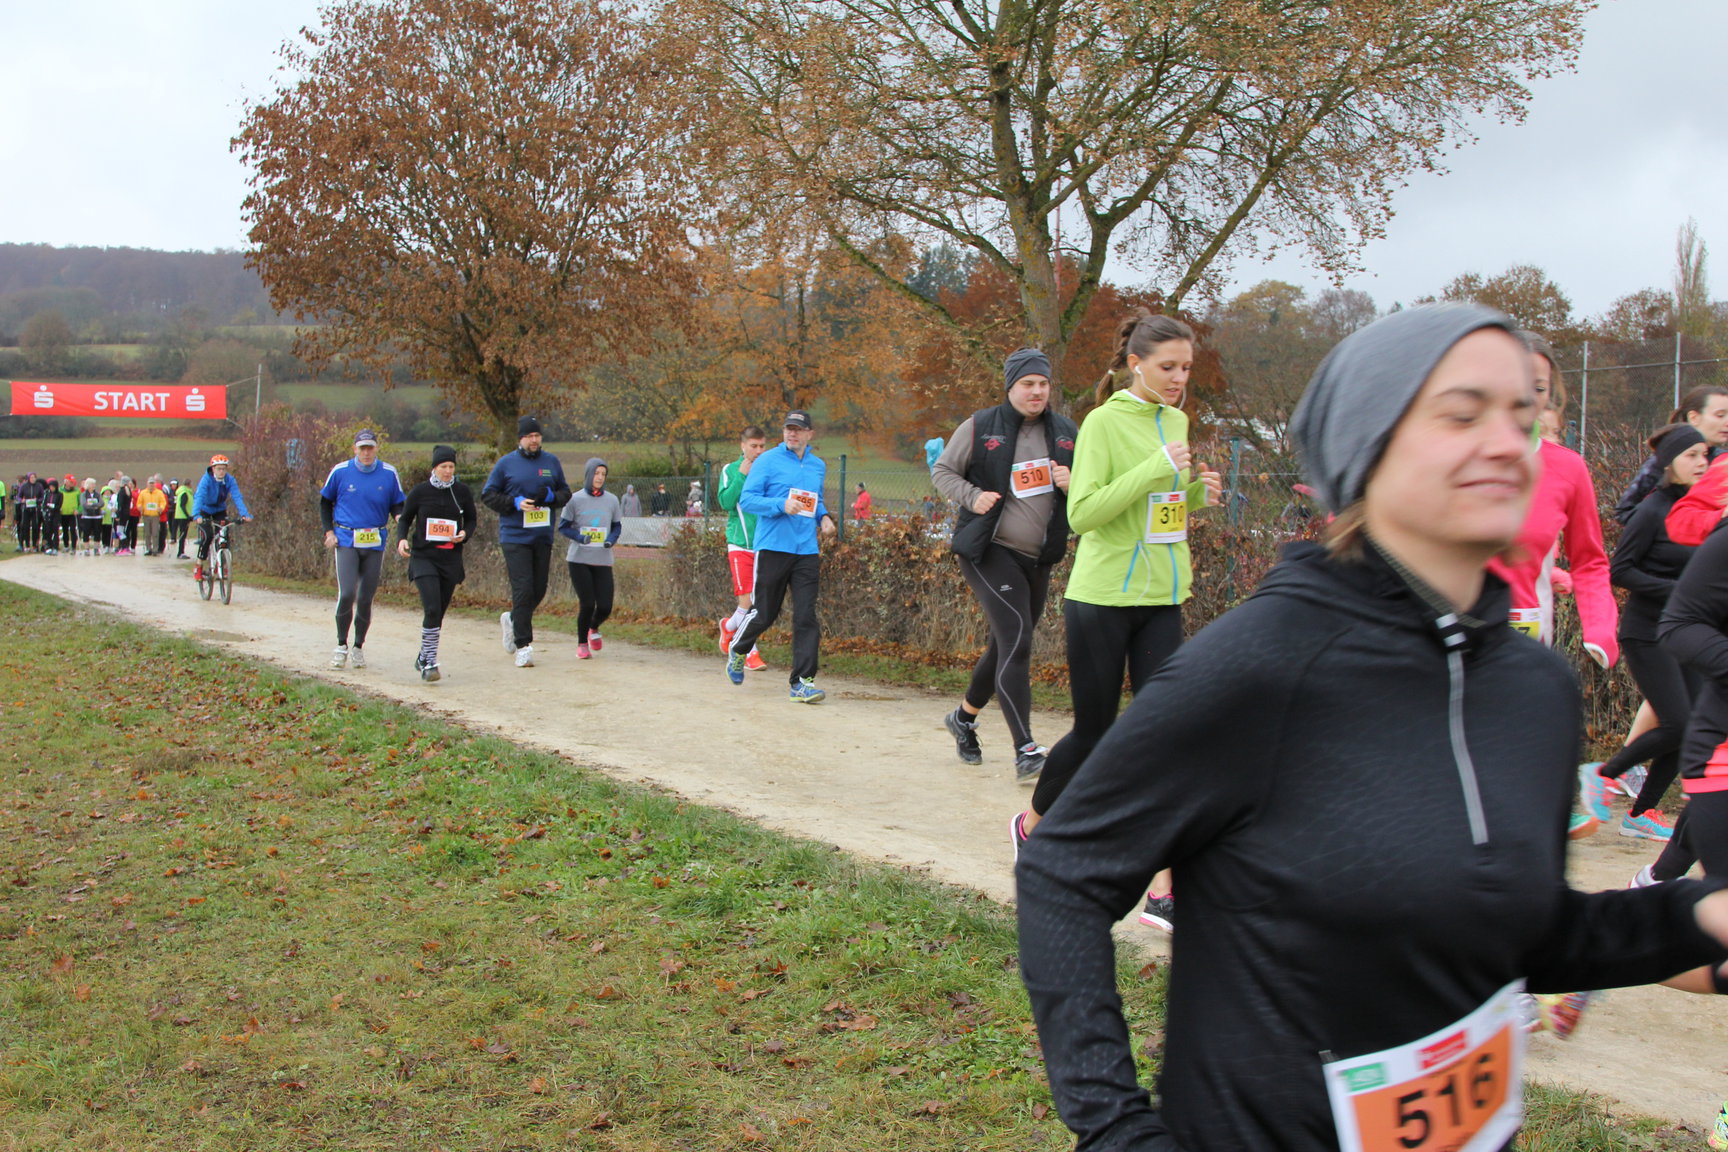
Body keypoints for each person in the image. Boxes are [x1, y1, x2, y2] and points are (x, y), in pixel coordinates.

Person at [1016, 302, 1728, 1152]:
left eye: (1522, 413)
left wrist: (1702, 921)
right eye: (1462, 414)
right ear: (1369, 448)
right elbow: (1064, 873)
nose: (1509, 442)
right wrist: (1114, 1128)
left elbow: (1518, 930)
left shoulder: (1535, 688)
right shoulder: (1264, 665)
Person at [1011, 314, 1221, 932]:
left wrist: (1197, 494)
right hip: (1102, 597)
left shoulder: (1177, 421)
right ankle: (1032, 826)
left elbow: (1162, 507)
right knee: (1096, 732)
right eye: (1167, 367)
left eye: (1186, 368)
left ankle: (1161, 888)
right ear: (1135, 364)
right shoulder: (1103, 422)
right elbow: (1084, 512)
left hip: (1163, 595)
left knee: (1166, 736)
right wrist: (1156, 467)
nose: (1179, 379)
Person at [933, 348, 1076, 781]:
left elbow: (1091, 486)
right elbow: (943, 471)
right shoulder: (981, 426)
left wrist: (1074, 483)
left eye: (1043, 384)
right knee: (1018, 637)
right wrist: (973, 496)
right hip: (990, 549)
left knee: (1006, 643)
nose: (1037, 391)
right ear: (1011, 386)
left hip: (1039, 556)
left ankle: (963, 718)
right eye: (1028, 383)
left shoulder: (1066, 431)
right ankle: (1026, 749)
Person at [1579, 424, 1708, 843]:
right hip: (1646, 632)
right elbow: (1621, 570)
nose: (1702, 462)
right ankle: (1603, 773)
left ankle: (1640, 814)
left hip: (1685, 632)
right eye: (1692, 455)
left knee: (1692, 726)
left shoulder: (1698, 511)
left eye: (1704, 455)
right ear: (1669, 463)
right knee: (1679, 722)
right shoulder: (1652, 511)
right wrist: (1678, 590)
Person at [1484, 335, 1616, 665]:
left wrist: (1600, 630)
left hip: (1523, 642)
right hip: (1438, 638)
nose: (1525, 397)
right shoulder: (1448, 454)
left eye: (1538, 388)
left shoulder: (1567, 468)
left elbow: (1589, 560)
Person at [724, 409, 836, 702]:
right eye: (788, 428)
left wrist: (824, 518)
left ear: (809, 434)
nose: (792, 433)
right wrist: (780, 505)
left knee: (806, 616)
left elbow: (816, 501)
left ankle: (802, 683)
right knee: (765, 612)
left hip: (806, 550)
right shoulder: (767, 461)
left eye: (798, 429)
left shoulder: (817, 465)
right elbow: (748, 499)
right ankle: (738, 648)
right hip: (773, 547)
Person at [480, 416, 571, 668]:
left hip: (542, 535)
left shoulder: (551, 462)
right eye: (529, 436)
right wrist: (515, 502)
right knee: (523, 588)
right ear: (520, 438)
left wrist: (550, 496)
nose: (534, 440)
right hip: (514, 536)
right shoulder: (506, 463)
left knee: (539, 589)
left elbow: (565, 493)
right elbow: (488, 495)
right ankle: (523, 645)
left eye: (537, 436)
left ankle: (513, 619)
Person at [320, 429, 407, 670]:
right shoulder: (340, 471)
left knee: (366, 598)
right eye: (362, 448)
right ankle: (341, 645)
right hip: (346, 538)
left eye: (370, 448)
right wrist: (329, 532)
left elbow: (397, 504)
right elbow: (325, 502)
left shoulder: (389, 473)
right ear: (355, 449)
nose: (366, 453)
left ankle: (358, 647)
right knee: (348, 593)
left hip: (374, 539)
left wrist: (400, 518)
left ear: (376, 448)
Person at [396, 445, 476, 682]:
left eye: (451, 466)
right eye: (443, 466)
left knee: (438, 611)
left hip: (450, 559)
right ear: (434, 468)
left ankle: (423, 656)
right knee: (431, 608)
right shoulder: (420, 491)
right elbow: (405, 519)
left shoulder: (461, 492)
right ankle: (430, 663)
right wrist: (401, 539)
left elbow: (471, 519)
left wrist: (464, 534)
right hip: (424, 557)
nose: (448, 471)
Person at [1615, 385, 1728, 523]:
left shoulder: (1722, 461)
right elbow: (1625, 511)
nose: (1727, 422)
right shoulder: (1662, 460)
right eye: (1720, 415)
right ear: (1693, 417)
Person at [558, 457, 623, 660]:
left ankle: (593, 628)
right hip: (579, 559)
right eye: (596, 473)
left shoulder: (612, 500)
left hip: (603, 559)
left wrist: (610, 540)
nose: (600, 477)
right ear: (588, 474)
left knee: (605, 606)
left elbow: (617, 526)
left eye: (603, 474)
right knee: (587, 604)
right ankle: (582, 644)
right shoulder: (574, 499)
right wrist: (580, 537)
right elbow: (563, 527)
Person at [716, 426, 770, 672]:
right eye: (753, 446)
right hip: (739, 543)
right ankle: (749, 652)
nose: (758, 451)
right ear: (743, 446)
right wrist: (741, 475)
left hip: (765, 544)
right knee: (748, 601)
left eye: (762, 446)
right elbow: (726, 502)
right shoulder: (730, 470)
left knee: (759, 603)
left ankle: (729, 627)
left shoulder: (768, 470)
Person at [192, 455, 253, 573]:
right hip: (205, 509)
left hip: (219, 509)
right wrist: (196, 515)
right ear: (213, 469)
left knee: (224, 534)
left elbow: (237, 497)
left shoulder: (229, 480)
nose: (221, 471)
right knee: (208, 535)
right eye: (219, 469)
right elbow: (199, 496)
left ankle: (221, 564)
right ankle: (199, 564)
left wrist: (244, 514)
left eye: (224, 469)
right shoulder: (206, 480)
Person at [136, 477, 170, 556]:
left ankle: (155, 549)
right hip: (146, 515)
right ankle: (148, 549)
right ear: (147, 484)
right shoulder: (143, 493)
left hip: (155, 516)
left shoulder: (159, 493)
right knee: (147, 533)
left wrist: (161, 508)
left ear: (154, 484)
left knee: (155, 533)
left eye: (152, 483)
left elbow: (163, 502)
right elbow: (139, 502)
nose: (151, 485)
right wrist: (140, 507)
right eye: (150, 483)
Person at [77, 479, 103, 556]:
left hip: (97, 516)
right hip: (87, 516)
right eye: (92, 484)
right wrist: (94, 506)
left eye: (94, 484)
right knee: (86, 532)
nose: (94, 486)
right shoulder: (83, 494)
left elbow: (101, 503)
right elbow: (84, 504)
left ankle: (96, 549)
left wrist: (93, 505)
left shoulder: (98, 494)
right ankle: (86, 549)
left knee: (97, 532)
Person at [171, 479, 194, 558]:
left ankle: (181, 551)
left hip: (180, 515)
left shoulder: (183, 491)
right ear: (188, 484)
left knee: (182, 534)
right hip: (183, 517)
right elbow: (182, 505)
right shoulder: (185, 493)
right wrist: (188, 515)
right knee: (183, 535)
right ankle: (180, 552)